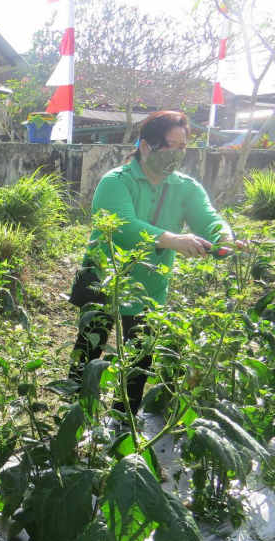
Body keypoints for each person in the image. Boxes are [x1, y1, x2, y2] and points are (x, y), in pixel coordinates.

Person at [68, 110, 242, 413]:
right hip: (105, 281)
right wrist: (173, 240)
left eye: (182, 147)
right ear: (146, 146)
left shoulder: (185, 187)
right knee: (89, 354)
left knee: (139, 363)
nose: (177, 154)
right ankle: (75, 417)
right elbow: (123, 226)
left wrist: (224, 238)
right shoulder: (116, 182)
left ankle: (123, 429)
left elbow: (208, 218)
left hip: (150, 289)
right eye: (170, 146)